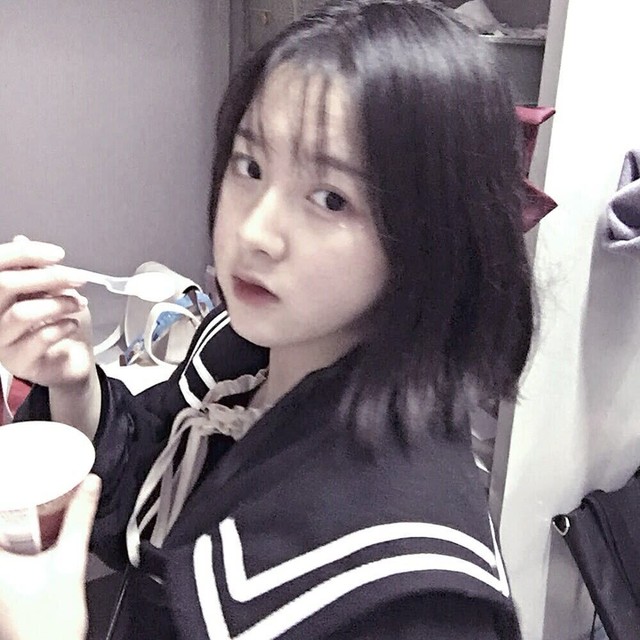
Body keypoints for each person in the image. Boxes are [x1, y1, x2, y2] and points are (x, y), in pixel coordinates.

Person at [0, 1, 533, 638]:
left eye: (330, 198)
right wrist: (74, 382)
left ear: (432, 236)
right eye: (250, 166)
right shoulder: (240, 351)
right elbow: (154, 497)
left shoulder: (413, 594)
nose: (254, 231)